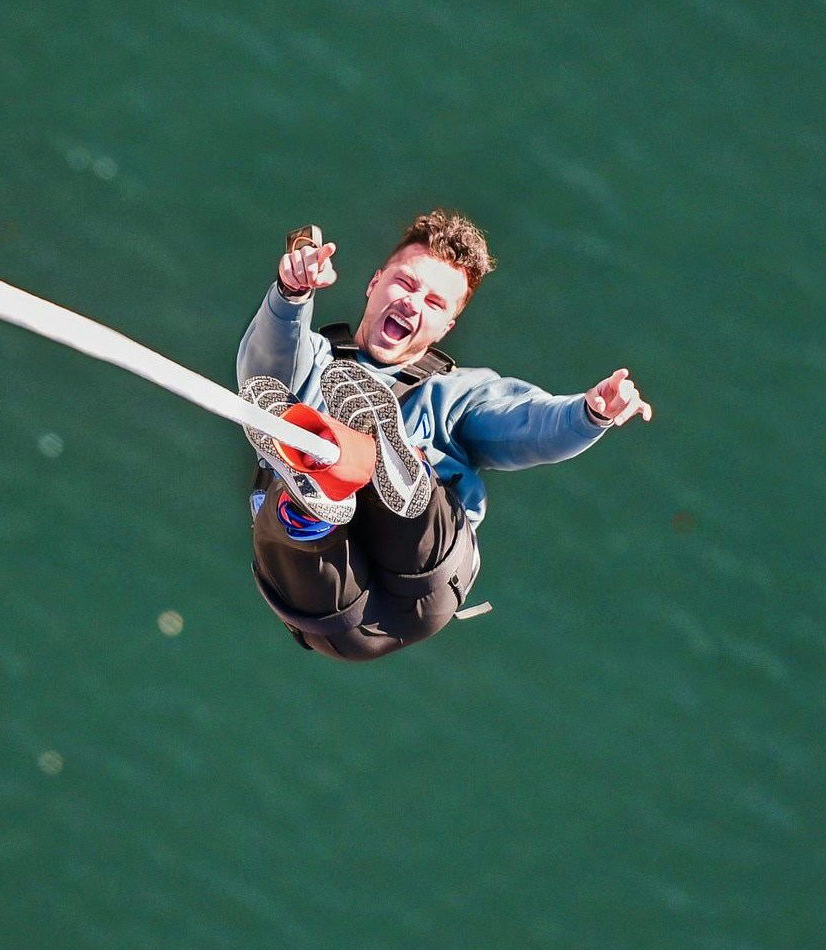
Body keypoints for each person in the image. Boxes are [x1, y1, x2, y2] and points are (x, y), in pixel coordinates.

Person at [236, 209, 651, 660]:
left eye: (434, 304)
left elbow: (524, 422)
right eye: (406, 284)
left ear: (447, 326)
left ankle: (385, 469)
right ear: (375, 283)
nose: (413, 304)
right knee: (284, 442)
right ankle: (319, 496)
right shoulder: (312, 358)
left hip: (419, 587)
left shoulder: (458, 393)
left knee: (394, 479)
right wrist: (291, 295)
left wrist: (588, 412)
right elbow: (263, 379)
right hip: (329, 612)